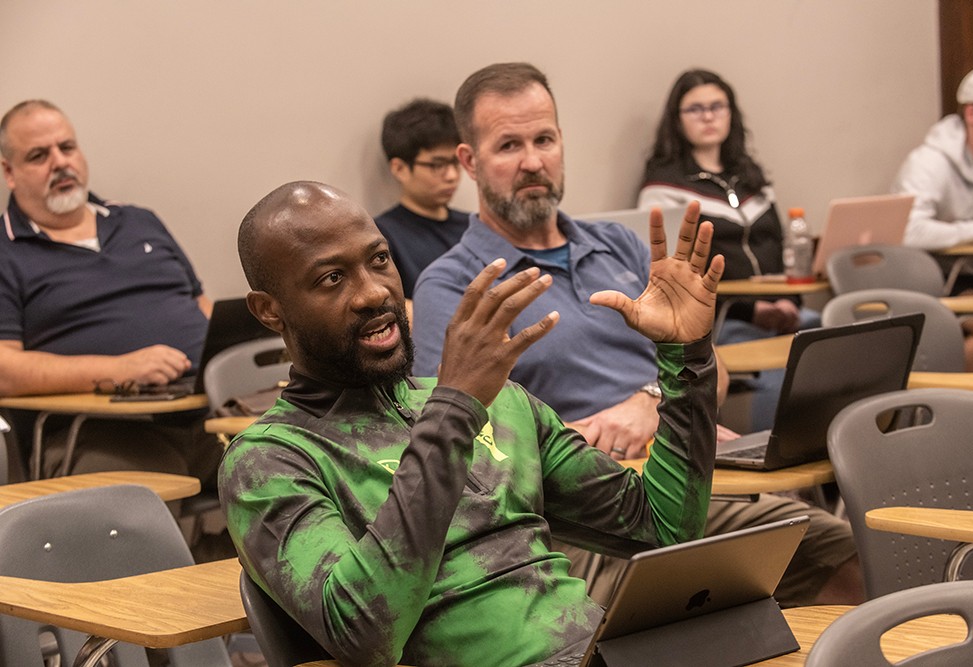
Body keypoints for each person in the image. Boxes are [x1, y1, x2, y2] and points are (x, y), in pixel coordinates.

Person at [413, 62, 862, 608]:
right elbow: (459, 444)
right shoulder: (457, 284)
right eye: (509, 145)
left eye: (544, 139)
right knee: (687, 608)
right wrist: (603, 440)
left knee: (848, 558)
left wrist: (653, 406)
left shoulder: (621, 246)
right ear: (470, 161)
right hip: (584, 516)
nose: (533, 161)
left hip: (698, 478)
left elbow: (710, 371)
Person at [219, 180, 723, 666]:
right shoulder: (267, 461)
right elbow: (364, 634)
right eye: (332, 278)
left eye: (379, 260)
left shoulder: (502, 404)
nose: (373, 293)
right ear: (270, 312)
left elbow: (664, 530)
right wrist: (454, 411)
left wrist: (687, 359)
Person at [0, 99, 220, 484]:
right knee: (137, 494)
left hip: (206, 411)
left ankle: (217, 546)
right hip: (95, 433)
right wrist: (118, 371)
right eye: (39, 155)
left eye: (66, 148)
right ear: (9, 172)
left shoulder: (139, 221)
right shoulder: (5, 250)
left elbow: (200, 305)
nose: (59, 163)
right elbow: (3, 369)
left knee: (301, 452)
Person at [636, 68, 820, 431]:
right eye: (696, 109)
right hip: (723, 321)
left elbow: (781, 249)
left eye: (717, 106)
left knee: (832, 346)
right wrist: (754, 310)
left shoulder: (753, 179)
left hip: (782, 311)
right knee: (781, 373)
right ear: (677, 120)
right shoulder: (663, 189)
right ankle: (777, 468)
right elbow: (672, 283)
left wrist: (788, 303)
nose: (708, 116)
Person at [891, 62, 973, 371]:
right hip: (931, 283)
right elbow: (907, 231)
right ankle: (935, 405)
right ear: (972, 114)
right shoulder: (929, 163)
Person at [373, 98, 469, 298]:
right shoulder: (382, 236)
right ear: (400, 169)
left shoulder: (474, 225)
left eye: (455, 162)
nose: (451, 175)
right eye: (437, 165)